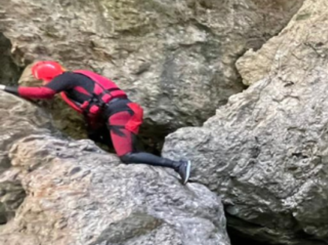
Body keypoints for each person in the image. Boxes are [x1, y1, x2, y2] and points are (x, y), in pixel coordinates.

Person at [3, 61, 190, 182]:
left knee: (126, 156)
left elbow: (45, 93)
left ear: (46, 78)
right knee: (107, 140)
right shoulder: (77, 77)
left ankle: (177, 165)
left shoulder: (66, 79)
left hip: (119, 113)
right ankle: (160, 169)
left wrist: (6, 88)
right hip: (124, 110)